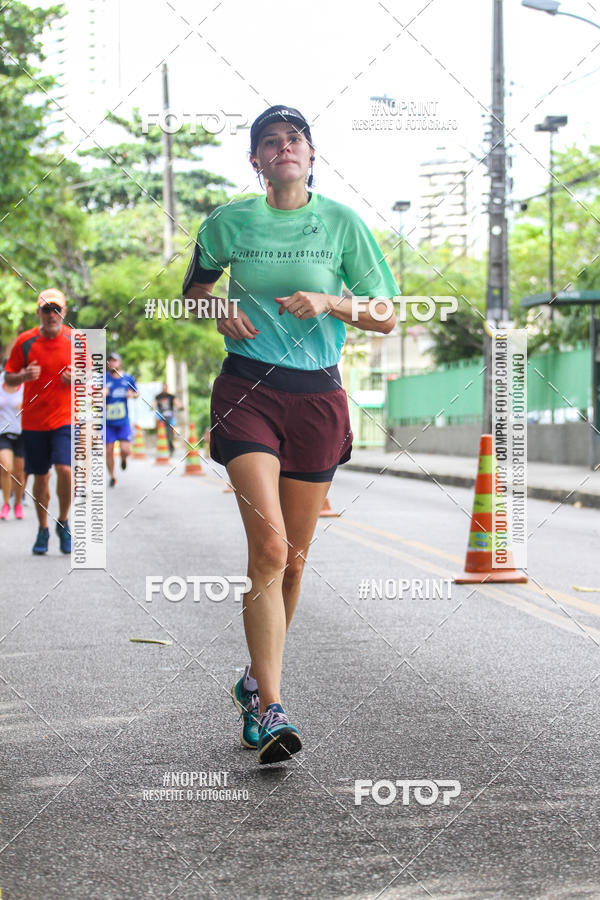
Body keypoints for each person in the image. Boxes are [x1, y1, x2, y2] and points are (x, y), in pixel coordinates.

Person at [183, 104, 400, 764]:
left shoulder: (341, 223)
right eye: (270, 141)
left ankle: (253, 683)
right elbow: (192, 291)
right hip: (248, 389)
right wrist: (216, 308)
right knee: (271, 548)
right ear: (256, 160)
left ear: (311, 155)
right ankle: (274, 705)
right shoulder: (230, 221)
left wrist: (331, 302)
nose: (283, 148)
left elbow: (386, 314)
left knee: (296, 561)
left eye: (294, 139)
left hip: (318, 396)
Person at [4, 289, 73, 554]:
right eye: (47, 309)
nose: (52, 315)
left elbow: (90, 375)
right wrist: (22, 376)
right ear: (38, 313)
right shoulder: (25, 341)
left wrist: (77, 377)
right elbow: (8, 379)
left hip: (64, 418)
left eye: (57, 310)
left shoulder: (76, 341)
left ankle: (63, 522)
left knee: (65, 470)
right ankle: (43, 528)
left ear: (64, 312)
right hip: (33, 421)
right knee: (41, 477)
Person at [105, 352, 139, 487]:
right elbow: (93, 392)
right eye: (110, 361)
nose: (112, 363)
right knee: (108, 450)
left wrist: (132, 394)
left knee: (125, 450)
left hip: (123, 421)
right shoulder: (103, 379)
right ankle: (112, 476)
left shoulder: (128, 378)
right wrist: (101, 393)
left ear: (120, 363)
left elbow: (137, 392)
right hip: (108, 422)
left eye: (115, 361)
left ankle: (123, 459)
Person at [0, 360, 26, 520]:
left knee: (19, 473)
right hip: (3, 432)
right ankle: (5, 504)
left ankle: (17, 503)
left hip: (22, 433)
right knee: (5, 467)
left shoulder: (26, 386)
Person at [153, 384, 181, 455]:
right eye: (163, 388)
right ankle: (157, 434)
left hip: (170, 416)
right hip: (160, 416)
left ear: (167, 388)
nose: (164, 389)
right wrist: (152, 406)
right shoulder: (158, 396)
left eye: (165, 388)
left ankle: (171, 444)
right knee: (156, 422)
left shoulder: (171, 396)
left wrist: (180, 406)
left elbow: (177, 403)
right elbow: (154, 403)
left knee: (171, 429)